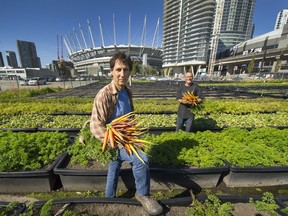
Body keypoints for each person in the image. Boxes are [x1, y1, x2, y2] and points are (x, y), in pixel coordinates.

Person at [90, 51, 163, 216]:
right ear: (111, 71)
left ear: (130, 71)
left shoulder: (127, 92)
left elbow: (130, 116)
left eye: (125, 70)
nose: (122, 74)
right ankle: (142, 194)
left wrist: (132, 134)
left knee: (114, 167)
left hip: (127, 137)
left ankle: (109, 198)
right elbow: (95, 125)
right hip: (112, 140)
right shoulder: (105, 94)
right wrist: (114, 141)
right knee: (141, 160)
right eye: (118, 70)